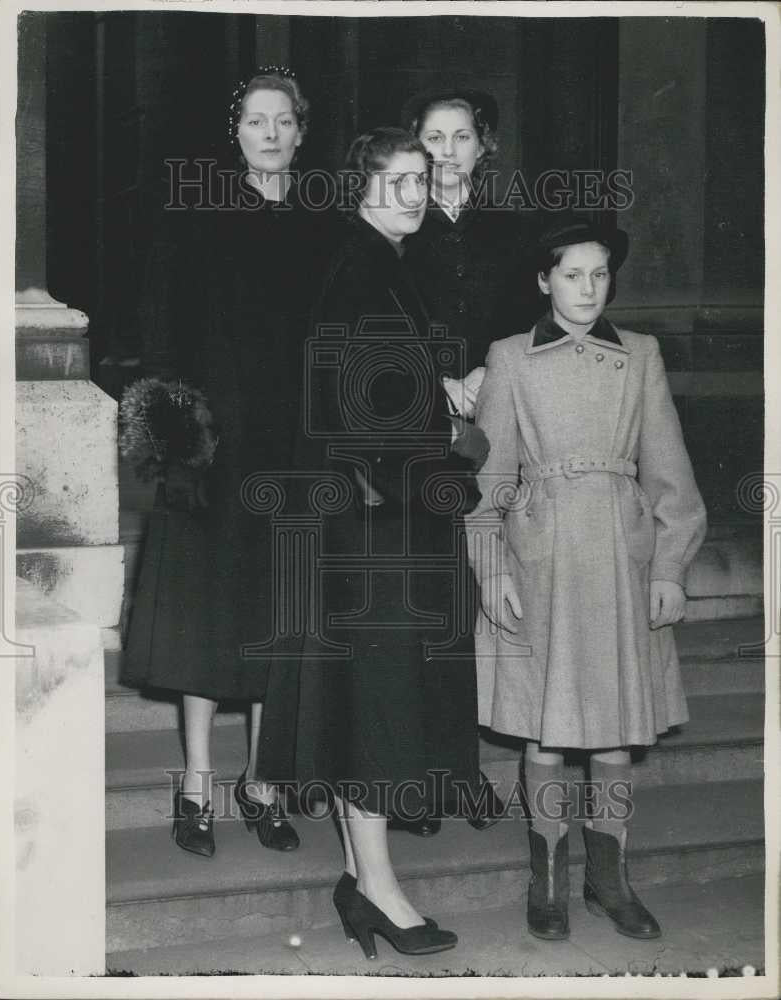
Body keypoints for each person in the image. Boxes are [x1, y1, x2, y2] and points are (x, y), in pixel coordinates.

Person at [466, 216, 707, 941]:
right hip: (541, 560)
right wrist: (492, 566)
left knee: (613, 733)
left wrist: (669, 567)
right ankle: (547, 880)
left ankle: (610, 878)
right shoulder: (510, 357)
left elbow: (671, 471)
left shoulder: (640, 355)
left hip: (619, 559)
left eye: (600, 274)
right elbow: (487, 481)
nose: (588, 288)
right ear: (544, 282)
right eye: (572, 274)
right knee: (544, 730)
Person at [122, 68, 334, 857]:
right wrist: (178, 445)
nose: (271, 133)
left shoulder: (324, 223)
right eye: (256, 121)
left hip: (293, 452)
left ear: (301, 131)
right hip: (215, 450)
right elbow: (162, 336)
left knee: (279, 619)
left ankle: (263, 783)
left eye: (284, 121)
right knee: (208, 622)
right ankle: (197, 785)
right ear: (236, 131)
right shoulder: (194, 215)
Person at [294, 127, 490, 959]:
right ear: (360, 185)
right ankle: (377, 886)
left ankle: (359, 876)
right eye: (399, 180)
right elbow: (358, 404)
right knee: (377, 706)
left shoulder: (378, 264)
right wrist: (451, 433)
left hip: (379, 511)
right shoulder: (362, 267)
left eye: (423, 179)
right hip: (377, 521)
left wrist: (429, 391)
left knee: (371, 701)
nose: (416, 193)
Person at [402, 84, 538, 372]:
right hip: (419, 397)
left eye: (462, 137)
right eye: (435, 138)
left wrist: (490, 375)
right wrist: (440, 387)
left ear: (481, 146)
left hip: (498, 391)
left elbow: (527, 323)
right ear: (415, 147)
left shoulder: (516, 232)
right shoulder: (396, 231)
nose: (449, 151)